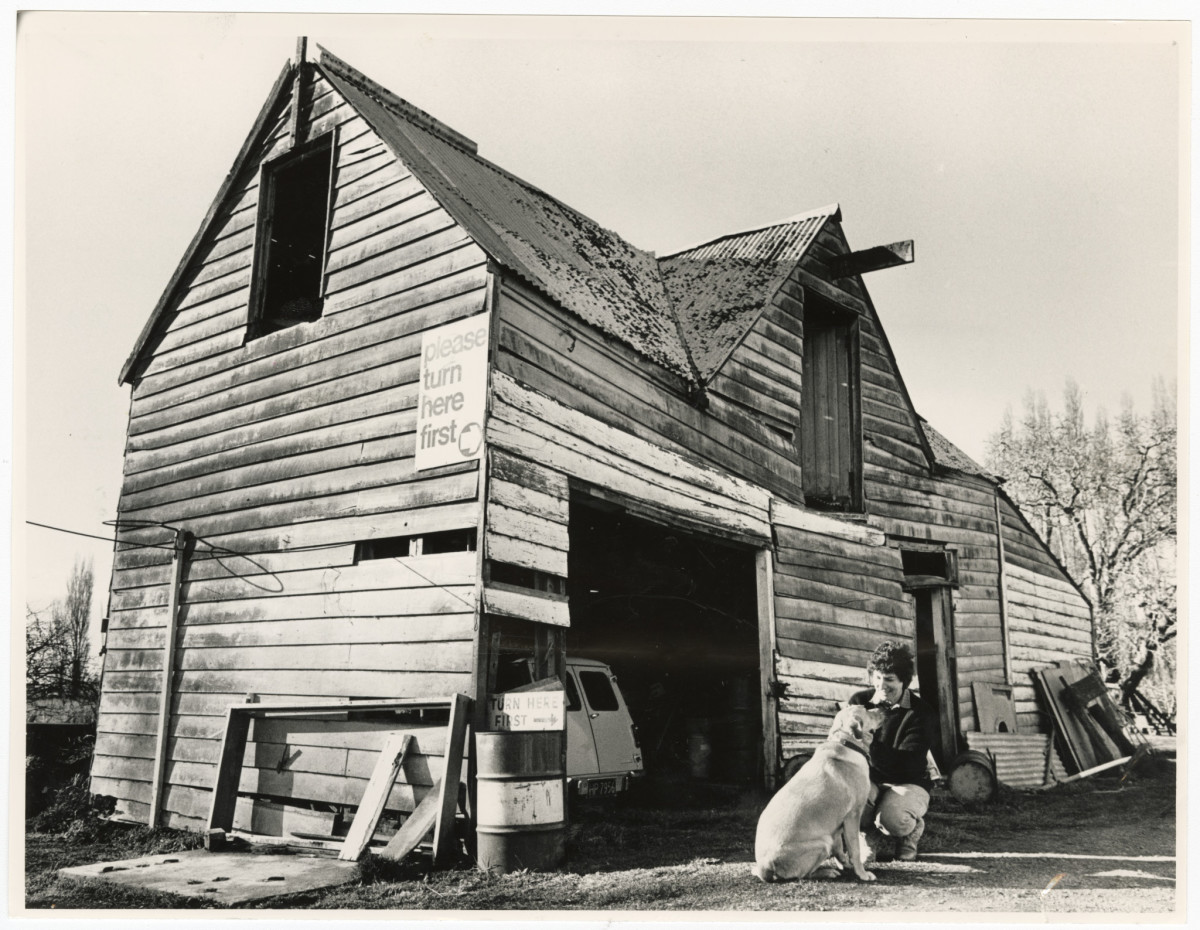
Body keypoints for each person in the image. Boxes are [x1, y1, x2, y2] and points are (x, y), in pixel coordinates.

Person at [848, 640, 937, 862]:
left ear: (904, 682)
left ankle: (911, 830)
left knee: (894, 818)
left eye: (889, 680)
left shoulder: (921, 713)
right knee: (848, 797)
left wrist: (866, 742)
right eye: (877, 677)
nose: (881, 685)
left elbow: (908, 765)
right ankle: (867, 836)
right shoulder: (859, 702)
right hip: (870, 779)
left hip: (908, 781)